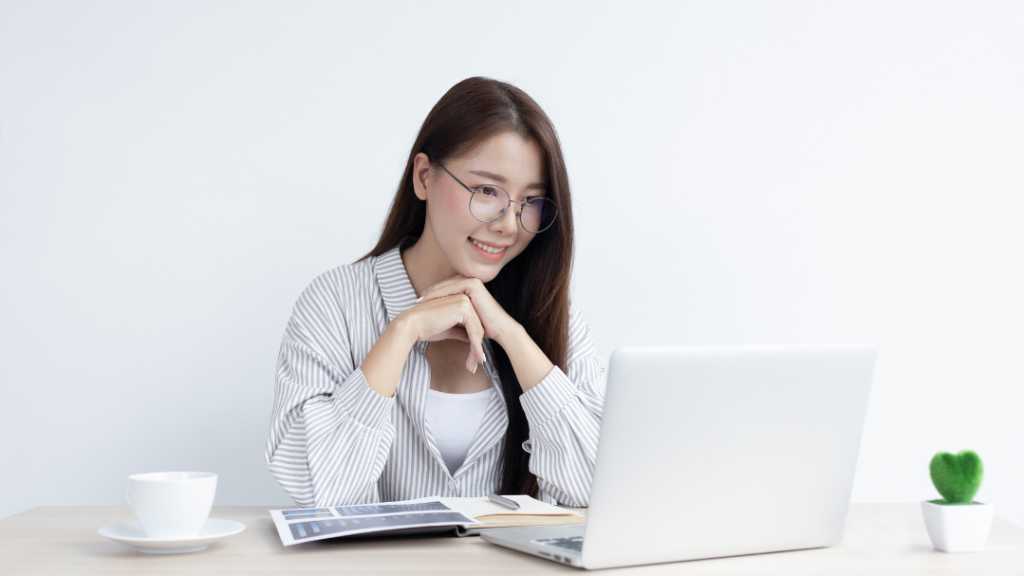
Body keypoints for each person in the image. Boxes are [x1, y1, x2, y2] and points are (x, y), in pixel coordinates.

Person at [264, 76, 605, 508]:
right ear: (424, 177)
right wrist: (402, 333)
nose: (508, 224)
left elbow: (597, 491)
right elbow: (318, 491)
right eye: (487, 191)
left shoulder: (551, 313)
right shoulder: (335, 302)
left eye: (531, 202)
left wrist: (513, 338)